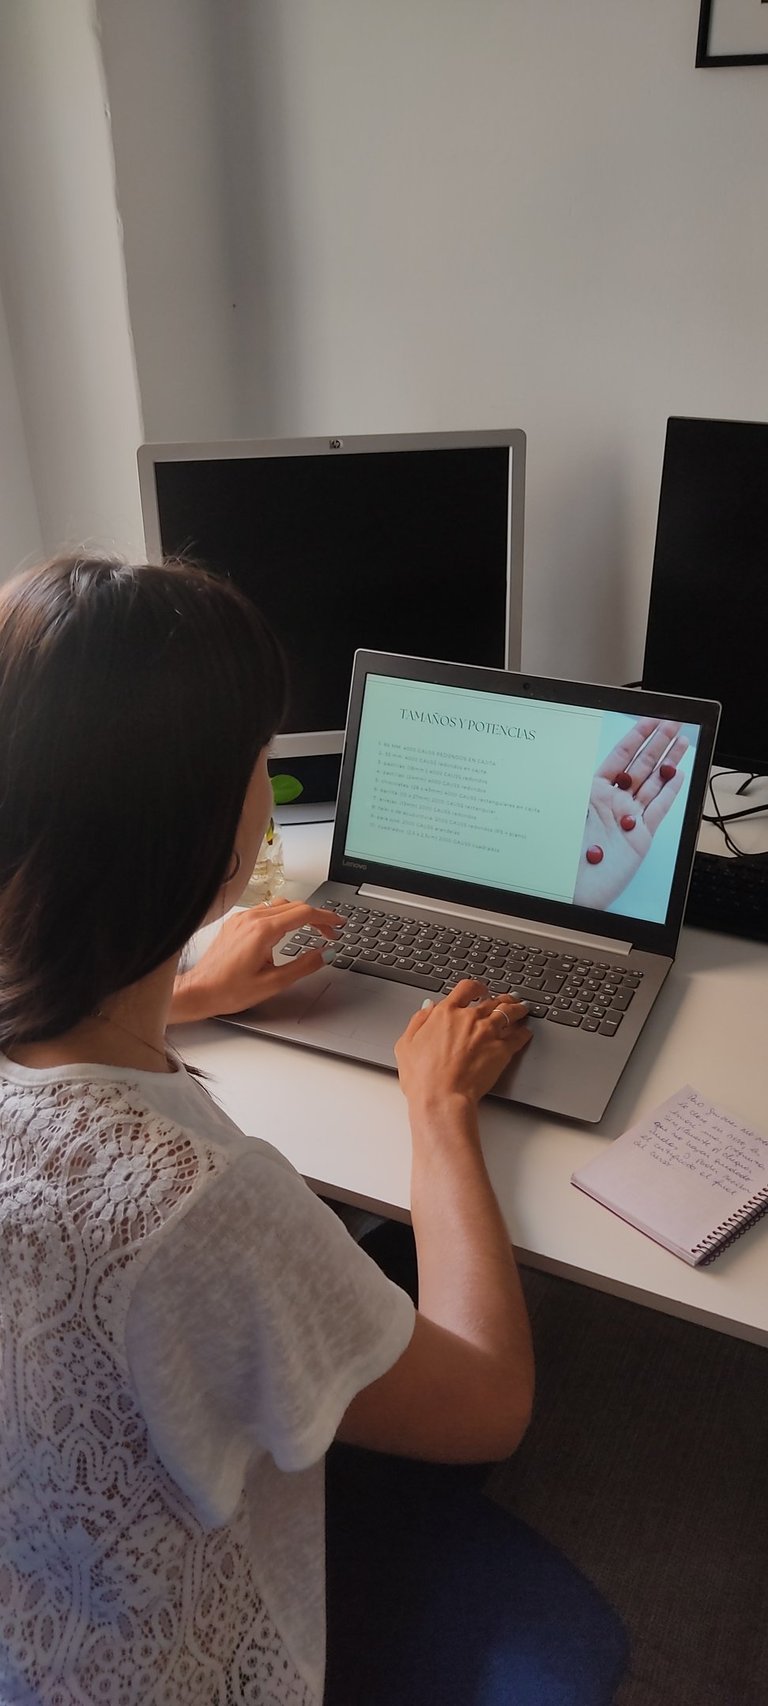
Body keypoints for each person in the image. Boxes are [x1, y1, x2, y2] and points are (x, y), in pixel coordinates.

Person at [0, 554, 544, 1705]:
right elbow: (490, 1402)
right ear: (211, 829)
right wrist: (440, 1107)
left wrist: (186, 990)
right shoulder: (196, 1198)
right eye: (257, 755)